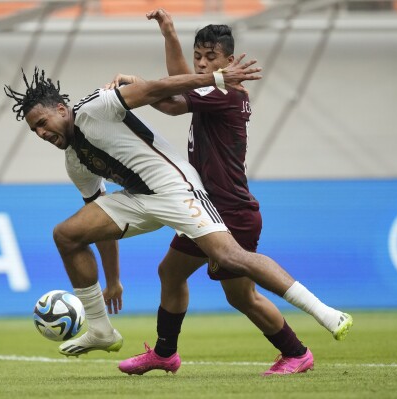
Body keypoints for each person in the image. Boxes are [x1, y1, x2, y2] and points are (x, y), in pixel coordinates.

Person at [3, 61, 349, 373]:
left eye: (43, 123)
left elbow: (155, 89)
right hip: (140, 200)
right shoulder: (75, 162)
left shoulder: (96, 107)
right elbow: (99, 225)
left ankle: (325, 313)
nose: (41, 133)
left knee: (230, 257)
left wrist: (214, 78)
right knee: (67, 234)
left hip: (176, 189)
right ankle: (101, 329)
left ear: (62, 110)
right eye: (35, 130)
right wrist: (113, 281)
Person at [114, 10, 353, 376]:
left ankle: (297, 352)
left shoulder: (223, 91)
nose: (203, 63)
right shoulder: (214, 87)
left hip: (230, 210)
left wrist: (137, 84)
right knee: (173, 274)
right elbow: (184, 83)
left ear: (228, 60)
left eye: (211, 58)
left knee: (242, 296)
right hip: (210, 206)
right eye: (199, 56)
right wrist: (170, 35)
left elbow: (171, 102)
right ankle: (165, 353)